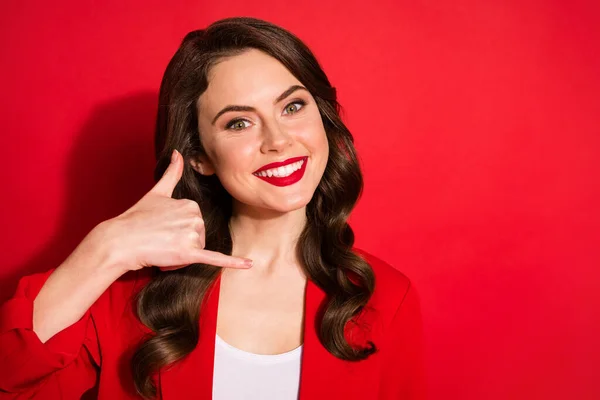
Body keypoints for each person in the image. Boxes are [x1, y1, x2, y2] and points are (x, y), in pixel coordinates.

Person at [0, 16, 425, 400]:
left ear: (323, 119)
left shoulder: (385, 298)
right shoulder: (129, 296)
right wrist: (105, 249)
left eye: (292, 106)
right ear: (199, 156)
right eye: (239, 122)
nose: (277, 140)